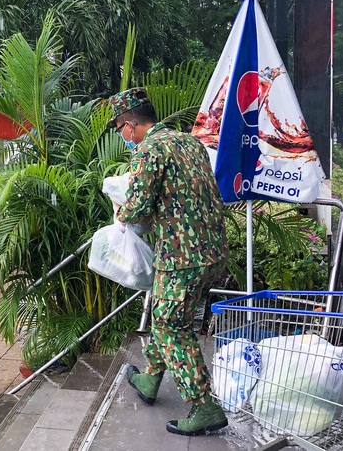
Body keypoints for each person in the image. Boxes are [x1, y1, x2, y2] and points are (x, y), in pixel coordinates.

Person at [108, 88, 229, 436]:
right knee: (166, 314)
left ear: (130, 124)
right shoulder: (189, 142)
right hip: (212, 250)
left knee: (170, 325)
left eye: (120, 128)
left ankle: (204, 406)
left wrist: (121, 208)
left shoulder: (149, 149)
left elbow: (138, 207)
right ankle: (149, 379)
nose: (122, 136)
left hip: (182, 256)